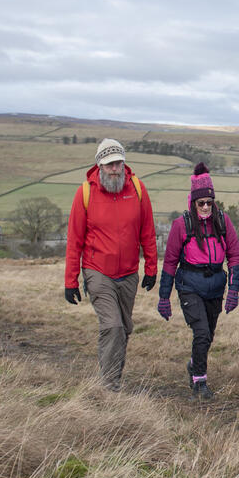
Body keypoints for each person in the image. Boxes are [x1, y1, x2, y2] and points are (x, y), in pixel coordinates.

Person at [64, 138, 158, 390]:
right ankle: (109, 387)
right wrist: (70, 281)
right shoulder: (85, 193)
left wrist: (150, 269)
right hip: (98, 272)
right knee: (113, 326)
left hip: (128, 274)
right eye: (109, 164)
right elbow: (74, 240)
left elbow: (147, 232)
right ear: (99, 165)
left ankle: (111, 377)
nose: (115, 168)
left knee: (124, 328)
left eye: (118, 163)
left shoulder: (137, 189)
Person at [156, 163, 239, 399]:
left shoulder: (224, 223)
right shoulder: (181, 225)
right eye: (200, 203)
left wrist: (233, 291)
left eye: (209, 202)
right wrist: (164, 297)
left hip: (215, 286)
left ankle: (194, 363)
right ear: (192, 203)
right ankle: (199, 381)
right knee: (201, 333)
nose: (205, 207)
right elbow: (170, 262)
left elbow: (234, 257)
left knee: (209, 335)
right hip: (189, 286)